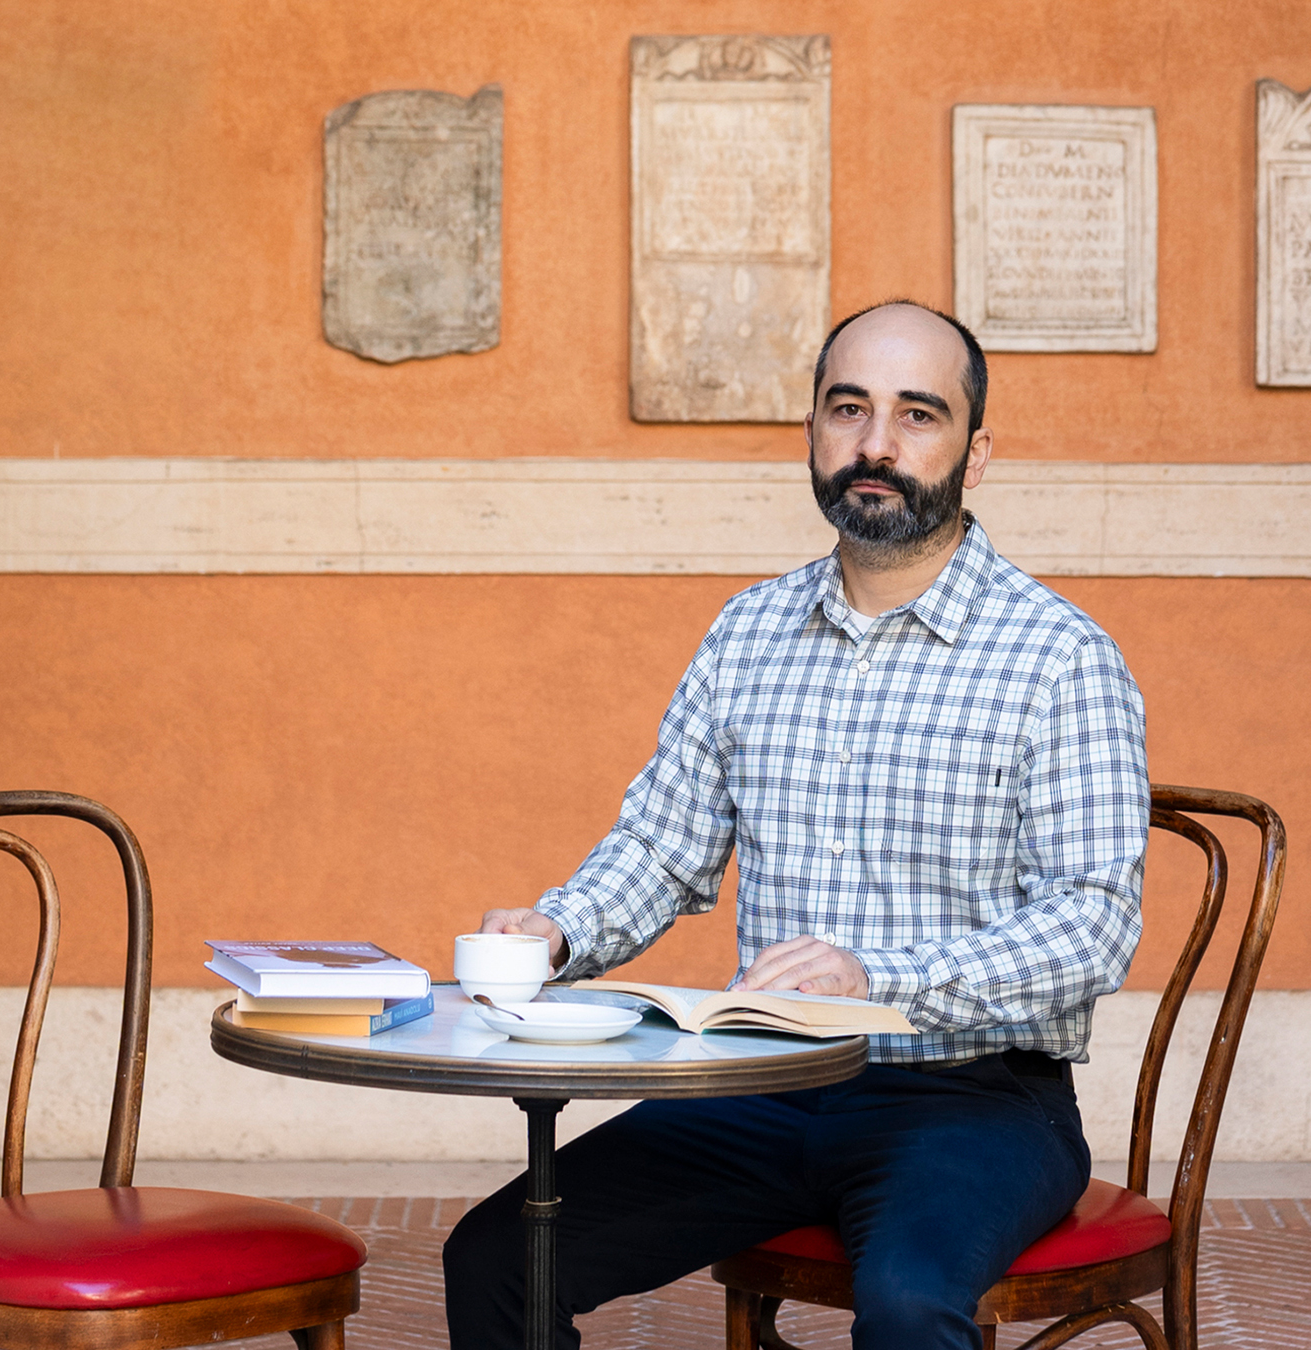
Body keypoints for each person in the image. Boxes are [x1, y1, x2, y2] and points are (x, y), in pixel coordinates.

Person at [441, 301, 1151, 1350]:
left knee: (910, 1306)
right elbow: (660, 847)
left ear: (977, 451)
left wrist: (878, 979)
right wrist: (556, 930)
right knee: (499, 1259)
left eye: (919, 416)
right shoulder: (748, 630)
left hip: (975, 1101)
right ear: (811, 432)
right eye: (848, 409)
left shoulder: (1059, 657)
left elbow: (1094, 924)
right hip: (762, 1085)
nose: (876, 444)